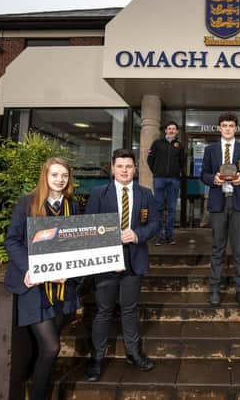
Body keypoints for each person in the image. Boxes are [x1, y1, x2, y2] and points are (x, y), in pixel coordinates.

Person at [4, 157, 80, 400]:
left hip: (61, 288)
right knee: (51, 347)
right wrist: (29, 268)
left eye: (64, 176)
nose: (60, 180)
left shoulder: (72, 205)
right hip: (34, 289)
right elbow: (12, 240)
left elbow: (76, 243)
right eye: (55, 175)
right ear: (45, 176)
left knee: (47, 352)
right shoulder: (27, 203)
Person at [85, 149, 157, 382]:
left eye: (129, 166)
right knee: (104, 310)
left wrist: (137, 234)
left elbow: (155, 223)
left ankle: (133, 354)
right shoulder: (98, 193)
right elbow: (89, 226)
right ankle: (96, 359)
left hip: (134, 259)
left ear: (135, 169)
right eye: (120, 166)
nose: (125, 170)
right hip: (106, 260)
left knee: (129, 309)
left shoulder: (146, 194)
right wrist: (109, 245)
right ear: (112, 168)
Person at [201, 112, 240, 308]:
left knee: (239, 250)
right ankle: (215, 289)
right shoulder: (210, 150)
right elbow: (203, 174)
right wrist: (213, 179)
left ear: (235, 128)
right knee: (217, 249)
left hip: (238, 202)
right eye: (224, 125)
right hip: (218, 203)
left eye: (231, 125)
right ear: (219, 128)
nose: (227, 128)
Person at [147, 121, 186, 245]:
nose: (171, 130)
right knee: (158, 208)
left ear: (177, 131)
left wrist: (176, 172)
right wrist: (157, 171)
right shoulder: (157, 143)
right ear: (165, 130)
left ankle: (169, 235)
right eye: (169, 128)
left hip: (174, 180)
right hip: (159, 179)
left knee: (172, 209)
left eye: (174, 129)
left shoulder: (179, 145)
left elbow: (182, 162)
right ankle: (159, 236)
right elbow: (150, 160)